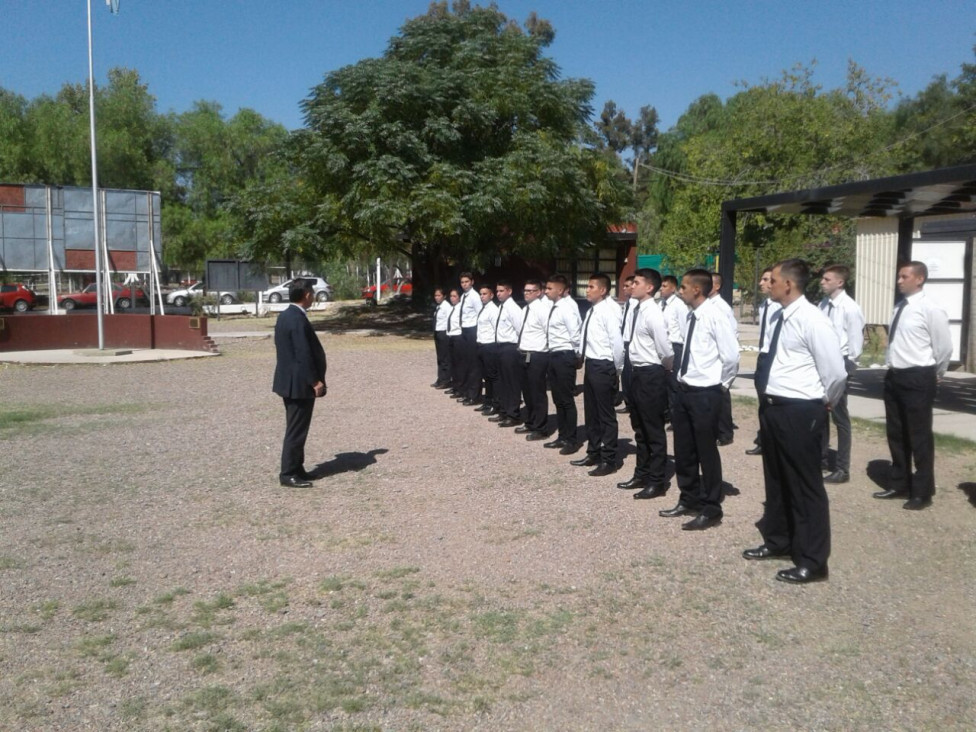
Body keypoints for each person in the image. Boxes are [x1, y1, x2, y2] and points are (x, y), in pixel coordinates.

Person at [743, 259, 847, 584]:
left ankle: (813, 560)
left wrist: (825, 402)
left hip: (800, 409)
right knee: (776, 480)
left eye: (772, 280)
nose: (767, 284)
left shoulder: (812, 319)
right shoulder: (778, 315)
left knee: (804, 486)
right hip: (774, 407)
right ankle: (779, 541)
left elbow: (836, 372)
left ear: (788, 284)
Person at [660, 269, 739, 530]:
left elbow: (730, 357)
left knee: (706, 451)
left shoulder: (716, 315)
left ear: (697, 290)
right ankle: (689, 497)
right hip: (685, 389)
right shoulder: (690, 315)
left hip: (706, 392)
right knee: (683, 449)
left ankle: (711, 507)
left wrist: (720, 387)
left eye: (683, 287)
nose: (679, 290)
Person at [873, 261, 952, 510]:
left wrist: (937, 372)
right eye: (899, 276)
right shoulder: (899, 307)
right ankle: (899, 483)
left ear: (919, 279)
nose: (899, 281)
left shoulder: (930, 308)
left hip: (918, 376)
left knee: (918, 436)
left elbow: (944, 346)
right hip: (895, 375)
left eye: (904, 276)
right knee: (896, 434)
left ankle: (923, 491)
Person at [616, 268, 674, 499]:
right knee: (639, 427)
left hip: (651, 373)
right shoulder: (635, 309)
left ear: (649, 287)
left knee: (653, 429)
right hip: (636, 372)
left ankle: (657, 481)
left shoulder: (653, 313)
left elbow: (666, 349)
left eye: (637, 282)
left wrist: (665, 369)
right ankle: (641, 473)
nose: (632, 286)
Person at [272, 278, 327, 488]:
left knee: (298, 428)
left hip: (291, 381)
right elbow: (302, 354)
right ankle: (288, 473)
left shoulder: (286, 315)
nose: (313, 295)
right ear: (306, 295)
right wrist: (314, 381)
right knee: (296, 429)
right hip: (299, 384)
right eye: (311, 292)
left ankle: (297, 467)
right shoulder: (296, 318)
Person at [571, 273, 624, 477]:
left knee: (605, 415)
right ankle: (593, 451)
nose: (588, 289)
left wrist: (616, 370)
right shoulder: (593, 310)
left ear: (603, 290)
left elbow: (617, 344)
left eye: (592, 286)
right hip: (592, 363)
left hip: (604, 364)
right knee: (591, 412)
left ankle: (609, 458)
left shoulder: (609, 311)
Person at [818, 265, 865, 483]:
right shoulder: (824, 304)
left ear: (840, 282)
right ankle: (821, 457)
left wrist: (849, 366)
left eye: (827, 279)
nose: (822, 282)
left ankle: (842, 468)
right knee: (820, 412)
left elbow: (855, 341)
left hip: (841, 363)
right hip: (824, 362)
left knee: (839, 416)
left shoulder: (850, 308)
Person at [543, 274, 583, 453]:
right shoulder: (555, 307)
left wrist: (576, 356)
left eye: (549, 288)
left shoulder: (567, 307)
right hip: (554, 354)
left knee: (566, 399)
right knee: (558, 398)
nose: (546, 291)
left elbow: (575, 334)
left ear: (560, 290)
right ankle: (562, 435)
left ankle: (571, 440)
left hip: (564, 355)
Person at [745, 267, 781, 456]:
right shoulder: (764, 305)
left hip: (773, 358)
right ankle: (764, 439)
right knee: (762, 402)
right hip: (763, 356)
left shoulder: (780, 308)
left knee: (773, 402)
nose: (761, 283)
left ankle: (774, 441)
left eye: (766, 279)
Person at [515, 279, 553, 439]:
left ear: (539, 292)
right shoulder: (525, 309)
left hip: (537, 355)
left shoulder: (542, 309)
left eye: (531, 291)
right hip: (523, 353)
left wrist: (545, 352)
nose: (527, 293)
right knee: (527, 392)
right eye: (525, 290)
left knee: (537, 393)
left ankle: (540, 427)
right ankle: (530, 421)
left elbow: (548, 331)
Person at [489, 280, 525, 428]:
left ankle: (513, 414)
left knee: (511, 382)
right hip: (499, 347)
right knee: (502, 381)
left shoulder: (513, 308)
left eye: (501, 291)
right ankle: (504, 411)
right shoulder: (501, 307)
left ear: (509, 291)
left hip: (510, 347)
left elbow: (519, 329)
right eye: (497, 291)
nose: (498, 294)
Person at [709, 272, 739, 445]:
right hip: (713, 357)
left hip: (722, 357)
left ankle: (725, 433)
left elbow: (731, 333)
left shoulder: (721, 307)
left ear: (717, 286)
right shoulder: (708, 305)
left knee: (722, 396)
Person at [661, 274, 689, 425]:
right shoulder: (661, 304)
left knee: (673, 383)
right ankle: (665, 412)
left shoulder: (679, 305)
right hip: (664, 345)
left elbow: (684, 329)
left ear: (673, 288)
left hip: (675, 345)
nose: (661, 289)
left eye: (665, 286)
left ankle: (675, 416)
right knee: (663, 382)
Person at [475, 284, 500, 415]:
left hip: (490, 345)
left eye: (485, 294)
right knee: (486, 376)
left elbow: (497, 329)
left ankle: (495, 403)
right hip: (481, 345)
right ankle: (487, 401)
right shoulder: (483, 309)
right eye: (481, 294)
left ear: (491, 295)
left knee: (492, 376)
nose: (482, 296)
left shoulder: (493, 310)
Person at [457, 272, 482, 404]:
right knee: (466, 362)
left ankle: (474, 395)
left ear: (472, 282)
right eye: (462, 282)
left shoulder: (474, 296)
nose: (464, 284)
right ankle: (467, 391)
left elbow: (480, 314)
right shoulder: (464, 296)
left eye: (467, 281)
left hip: (473, 330)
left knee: (474, 364)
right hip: (464, 330)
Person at [617, 275, 639, 412]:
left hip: (631, 343)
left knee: (631, 376)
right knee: (625, 375)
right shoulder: (628, 303)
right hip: (624, 341)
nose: (624, 289)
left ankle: (633, 403)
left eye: (627, 286)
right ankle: (628, 402)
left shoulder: (637, 304)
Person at [431, 287, 452, 389]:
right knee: (440, 358)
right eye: (435, 295)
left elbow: (449, 320)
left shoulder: (446, 307)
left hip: (444, 333)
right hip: (438, 332)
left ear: (444, 296)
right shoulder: (438, 307)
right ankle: (440, 378)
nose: (437, 297)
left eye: (439, 295)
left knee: (445, 358)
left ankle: (446, 380)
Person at [445, 288, 463, 396]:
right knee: (452, 363)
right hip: (450, 336)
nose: (452, 298)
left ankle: (460, 388)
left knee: (459, 364)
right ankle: (454, 385)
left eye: (455, 296)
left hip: (458, 336)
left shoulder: (460, 308)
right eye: (451, 296)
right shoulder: (451, 308)